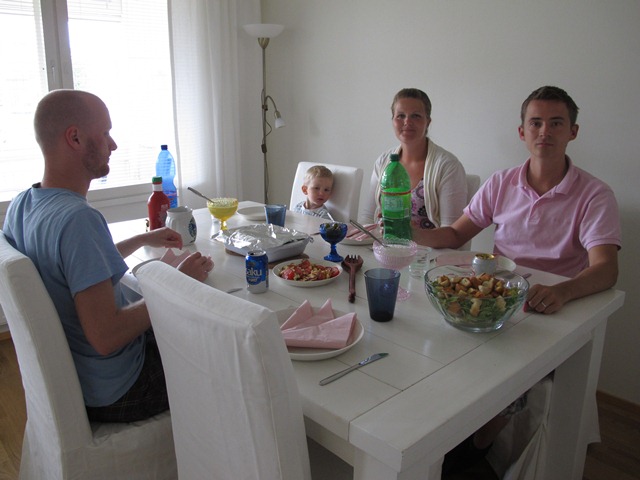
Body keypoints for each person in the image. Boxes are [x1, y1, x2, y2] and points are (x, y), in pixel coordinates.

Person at [425, 86, 621, 476]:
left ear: (573, 131)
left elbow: (606, 269)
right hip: (497, 300)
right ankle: (445, 436)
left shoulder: (595, 194)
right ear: (522, 132)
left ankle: (478, 444)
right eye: (536, 123)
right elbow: (455, 234)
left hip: (551, 309)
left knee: (511, 372)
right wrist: (404, 230)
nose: (544, 131)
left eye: (556, 123)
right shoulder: (501, 182)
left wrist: (563, 290)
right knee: (434, 348)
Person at [2, 89, 215, 423]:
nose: (113, 145)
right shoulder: (78, 220)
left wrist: (143, 238)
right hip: (121, 386)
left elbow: (71, 270)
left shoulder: (25, 204)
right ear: (74, 138)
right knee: (223, 347)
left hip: (86, 376)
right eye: (105, 133)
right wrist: (178, 283)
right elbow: (106, 336)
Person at [359, 88, 468, 243]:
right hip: (384, 249)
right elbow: (367, 217)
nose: (407, 122)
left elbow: (452, 233)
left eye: (416, 116)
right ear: (393, 120)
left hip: (428, 254)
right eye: (400, 116)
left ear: (428, 121)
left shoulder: (448, 166)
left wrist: (411, 233)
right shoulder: (383, 161)